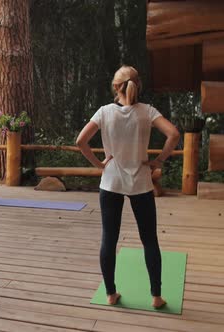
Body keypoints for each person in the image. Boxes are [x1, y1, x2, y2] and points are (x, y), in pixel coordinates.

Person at [76, 66, 180, 308]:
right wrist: (159, 160)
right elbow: (173, 134)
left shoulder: (104, 112)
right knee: (150, 240)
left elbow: (81, 141)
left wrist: (99, 164)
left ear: (116, 87)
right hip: (141, 183)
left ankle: (111, 294)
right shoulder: (147, 112)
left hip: (110, 182)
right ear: (137, 85)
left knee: (108, 240)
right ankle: (156, 297)